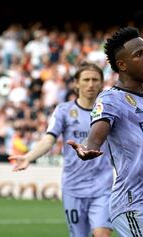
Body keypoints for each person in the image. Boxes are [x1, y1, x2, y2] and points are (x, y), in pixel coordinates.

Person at [67, 26, 143, 237]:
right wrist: (88, 148)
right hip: (132, 203)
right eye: (139, 54)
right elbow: (96, 136)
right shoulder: (110, 99)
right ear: (122, 65)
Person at [9, 62, 113, 237]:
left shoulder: (109, 111)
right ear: (76, 84)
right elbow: (49, 139)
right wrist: (28, 157)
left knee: (102, 234)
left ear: (102, 84)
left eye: (95, 80)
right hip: (73, 186)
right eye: (86, 79)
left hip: (102, 187)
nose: (90, 84)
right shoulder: (64, 111)